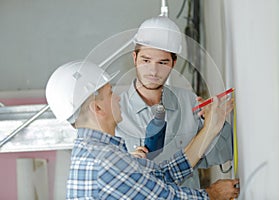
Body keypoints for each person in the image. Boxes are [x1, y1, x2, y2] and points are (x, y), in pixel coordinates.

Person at [45, 60, 239, 199]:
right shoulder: (105, 163)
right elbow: (168, 197)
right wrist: (213, 194)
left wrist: (211, 127)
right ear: (97, 108)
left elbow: (162, 176)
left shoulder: (97, 154)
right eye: (110, 93)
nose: (118, 97)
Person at [116, 16, 233, 189]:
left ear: (173, 63)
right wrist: (125, 167)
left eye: (162, 63)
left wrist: (215, 122)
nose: (153, 71)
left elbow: (223, 153)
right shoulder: (114, 114)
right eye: (146, 61)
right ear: (134, 58)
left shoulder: (189, 102)